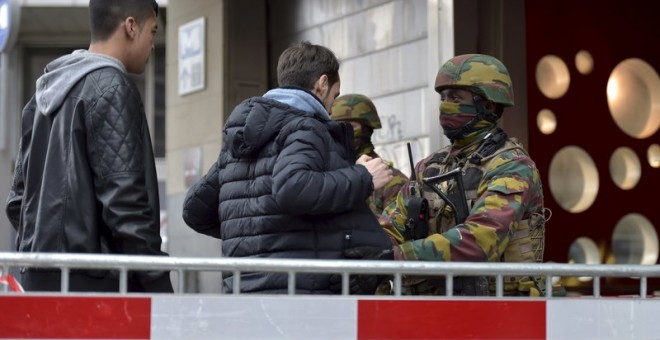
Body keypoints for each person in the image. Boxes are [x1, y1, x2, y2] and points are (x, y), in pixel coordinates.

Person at [182, 41, 394, 294]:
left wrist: (260, 233)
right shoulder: (305, 127)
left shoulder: (241, 139)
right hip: (296, 295)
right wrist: (363, 177)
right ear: (322, 84)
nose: (331, 109)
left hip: (241, 293)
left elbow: (194, 209)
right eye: (334, 97)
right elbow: (293, 188)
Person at [343, 54, 549, 296]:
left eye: (456, 98)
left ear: (489, 105)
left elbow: (481, 239)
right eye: (443, 98)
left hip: (501, 308)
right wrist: (371, 253)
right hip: (436, 307)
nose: (444, 105)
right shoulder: (429, 167)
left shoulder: (512, 166)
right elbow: (390, 226)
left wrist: (395, 257)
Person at [5, 0, 172, 293]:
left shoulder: (43, 95)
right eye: (153, 31)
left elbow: (18, 202)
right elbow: (125, 203)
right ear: (131, 26)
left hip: (38, 278)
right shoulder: (112, 88)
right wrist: (158, 282)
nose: (153, 44)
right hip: (98, 286)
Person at [330, 94, 408, 217]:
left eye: (349, 126)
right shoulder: (329, 175)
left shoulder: (391, 181)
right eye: (336, 126)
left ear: (366, 128)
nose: (341, 132)